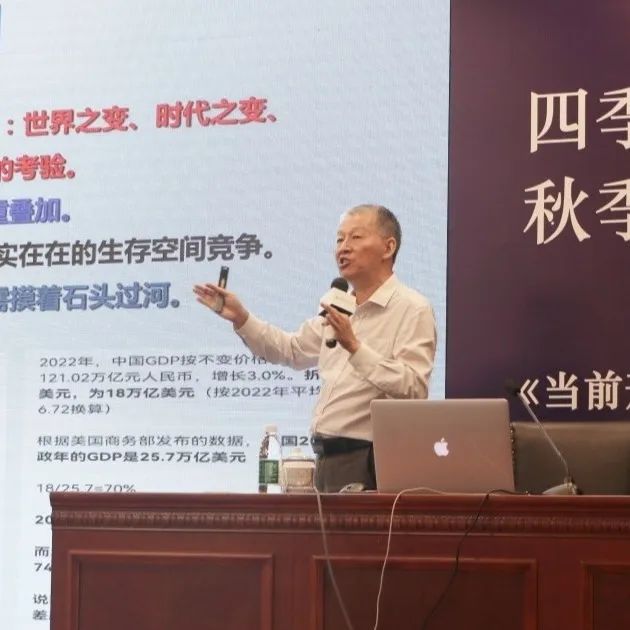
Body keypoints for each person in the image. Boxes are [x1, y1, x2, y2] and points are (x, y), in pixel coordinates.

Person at [193, 204, 437, 492]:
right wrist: (241, 317)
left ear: (388, 247)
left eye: (355, 237)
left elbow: (413, 387)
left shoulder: (412, 308)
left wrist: (354, 347)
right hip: (325, 459)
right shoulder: (339, 305)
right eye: (339, 239)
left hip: (369, 459)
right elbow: (291, 350)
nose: (343, 248)